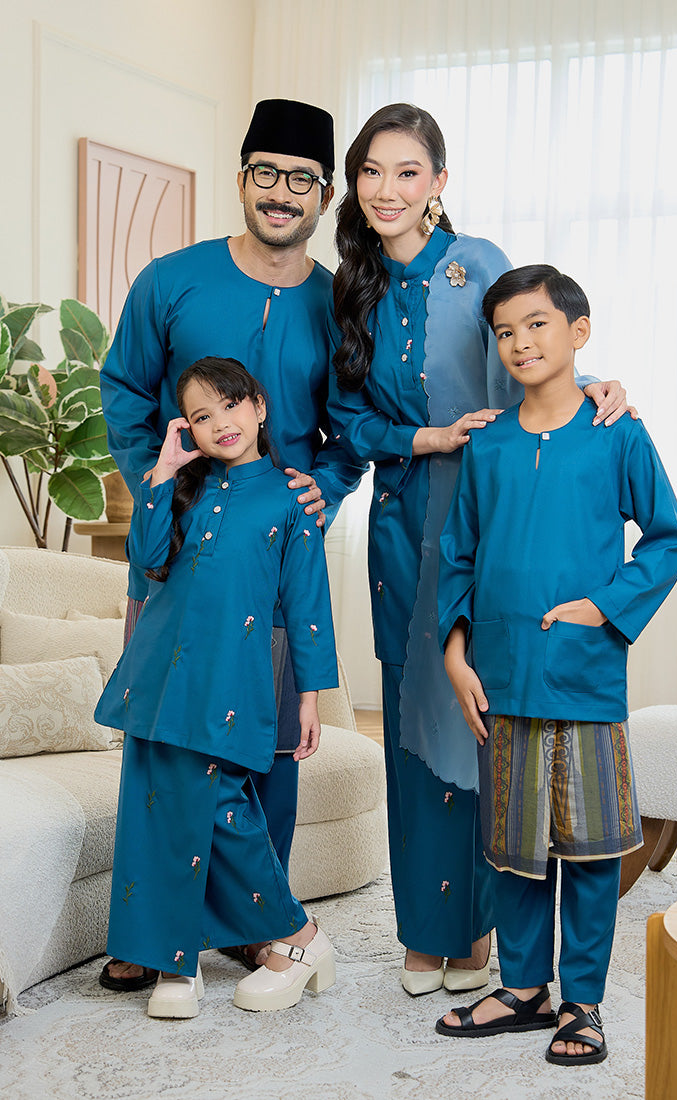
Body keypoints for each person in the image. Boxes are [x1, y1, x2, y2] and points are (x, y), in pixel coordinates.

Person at [328, 103, 632, 995]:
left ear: (439, 182)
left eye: (408, 172)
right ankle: (428, 934)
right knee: (413, 730)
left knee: (484, 719)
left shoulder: (480, 265)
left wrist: (604, 384)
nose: (387, 190)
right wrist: (423, 439)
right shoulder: (350, 286)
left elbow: (537, 356)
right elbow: (346, 421)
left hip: (496, 512)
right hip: (403, 522)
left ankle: (488, 938)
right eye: (372, 173)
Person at [98, 98, 364, 990]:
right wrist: (156, 483)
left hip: (273, 559)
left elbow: (352, 426)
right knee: (163, 749)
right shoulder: (171, 280)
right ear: (242, 176)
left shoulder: (337, 304)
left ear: (324, 195)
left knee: (267, 750)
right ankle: (152, 934)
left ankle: (257, 930)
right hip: (176, 558)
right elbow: (127, 388)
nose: (282, 193)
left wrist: (317, 489)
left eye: (302, 179)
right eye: (266, 173)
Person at [435, 265, 677, 1063]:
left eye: (537, 325)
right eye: (506, 332)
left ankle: (582, 1000)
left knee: (589, 847)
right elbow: (458, 555)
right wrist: (454, 653)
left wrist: (603, 607)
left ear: (577, 332)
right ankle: (522, 988)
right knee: (513, 843)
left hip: (584, 674)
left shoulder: (618, 432)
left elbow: (668, 536)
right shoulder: (490, 444)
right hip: (500, 672)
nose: (520, 343)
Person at [95, 357, 339, 1018]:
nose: (219, 424)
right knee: (155, 807)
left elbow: (307, 604)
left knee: (221, 804)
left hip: (229, 679)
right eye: (201, 416)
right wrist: (162, 474)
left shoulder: (292, 498)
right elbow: (146, 562)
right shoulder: (183, 488)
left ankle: (300, 935)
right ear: (188, 429)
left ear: (259, 406)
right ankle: (176, 963)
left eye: (230, 406)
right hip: (157, 676)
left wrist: (311, 699)